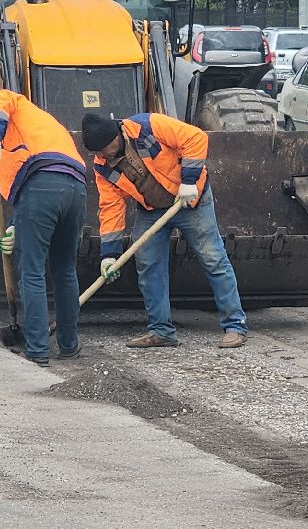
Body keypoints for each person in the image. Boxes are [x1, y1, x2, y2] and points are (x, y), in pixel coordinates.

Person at [81, 111, 247, 350]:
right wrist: (110, 254)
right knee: (148, 266)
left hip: (191, 201)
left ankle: (235, 325)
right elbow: (111, 207)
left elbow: (195, 138)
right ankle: (161, 331)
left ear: (116, 137)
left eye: (103, 149)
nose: (101, 156)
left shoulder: (149, 126)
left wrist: (189, 181)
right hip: (151, 210)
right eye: (96, 152)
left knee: (213, 259)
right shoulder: (103, 167)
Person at [0, 90, 90, 366]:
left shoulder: (3, 98)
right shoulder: (43, 122)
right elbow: (41, 169)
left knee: (32, 270)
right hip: (76, 188)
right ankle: (69, 345)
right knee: (65, 268)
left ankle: (38, 349)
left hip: (41, 185)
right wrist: (16, 227)